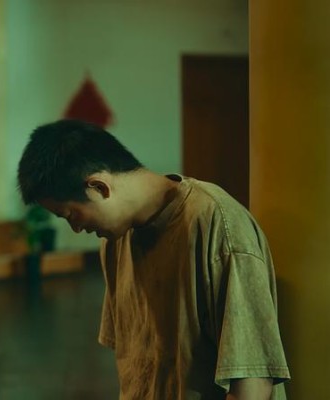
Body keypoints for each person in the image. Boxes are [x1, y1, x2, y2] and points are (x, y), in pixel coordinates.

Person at [16, 119, 290, 399]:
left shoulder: (218, 224)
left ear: (99, 187)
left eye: (71, 215)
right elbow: (133, 365)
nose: (76, 228)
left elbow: (253, 384)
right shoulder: (114, 241)